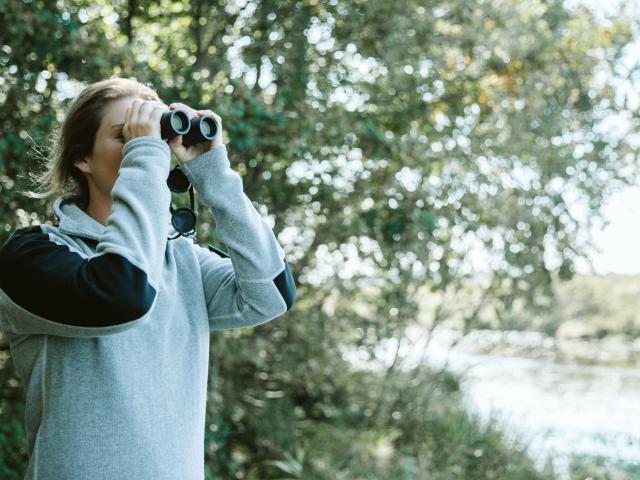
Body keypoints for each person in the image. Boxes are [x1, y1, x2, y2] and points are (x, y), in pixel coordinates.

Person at [0, 77, 296, 479]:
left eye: (154, 135)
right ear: (82, 158)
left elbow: (272, 293)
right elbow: (121, 294)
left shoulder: (181, 259)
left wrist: (213, 173)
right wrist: (148, 156)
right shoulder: (30, 254)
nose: (148, 148)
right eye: (128, 136)